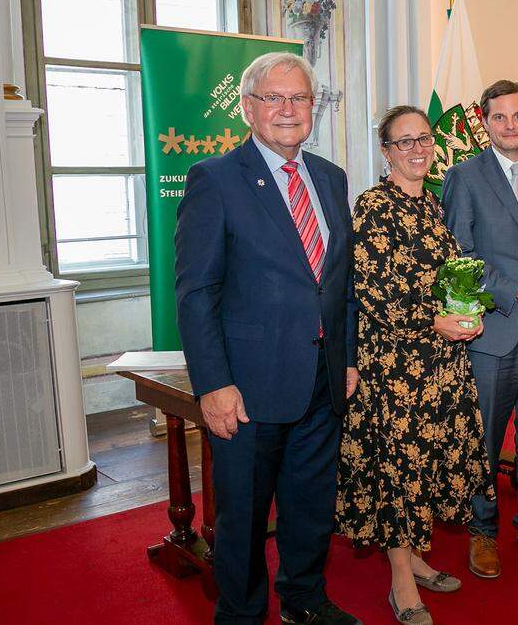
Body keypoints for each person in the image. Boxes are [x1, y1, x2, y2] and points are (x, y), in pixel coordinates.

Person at [174, 52, 360, 625]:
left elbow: (339, 281)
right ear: (248, 108)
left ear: (313, 109)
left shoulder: (330, 178)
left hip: (322, 380)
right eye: (274, 98)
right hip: (249, 389)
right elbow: (196, 293)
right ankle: (242, 612)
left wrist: (347, 359)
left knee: (309, 506)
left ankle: (303, 598)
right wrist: (214, 384)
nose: (288, 109)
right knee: (245, 517)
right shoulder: (216, 179)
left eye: (299, 98)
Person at [336, 105, 494, 625]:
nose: (416, 149)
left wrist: (467, 312)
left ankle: (417, 557)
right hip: (395, 367)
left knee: (425, 465)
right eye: (403, 142)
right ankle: (401, 581)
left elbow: (448, 277)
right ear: (385, 152)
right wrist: (436, 322)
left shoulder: (430, 205)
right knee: (398, 470)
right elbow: (375, 294)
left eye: (423, 139)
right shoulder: (372, 207)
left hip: (440, 364)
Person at [442, 80, 518, 580]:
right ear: (485, 122)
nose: (510, 125)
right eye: (499, 118)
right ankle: (482, 530)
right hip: (495, 330)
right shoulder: (464, 177)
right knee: (485, 437)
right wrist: (515, 289)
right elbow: (459, 260)